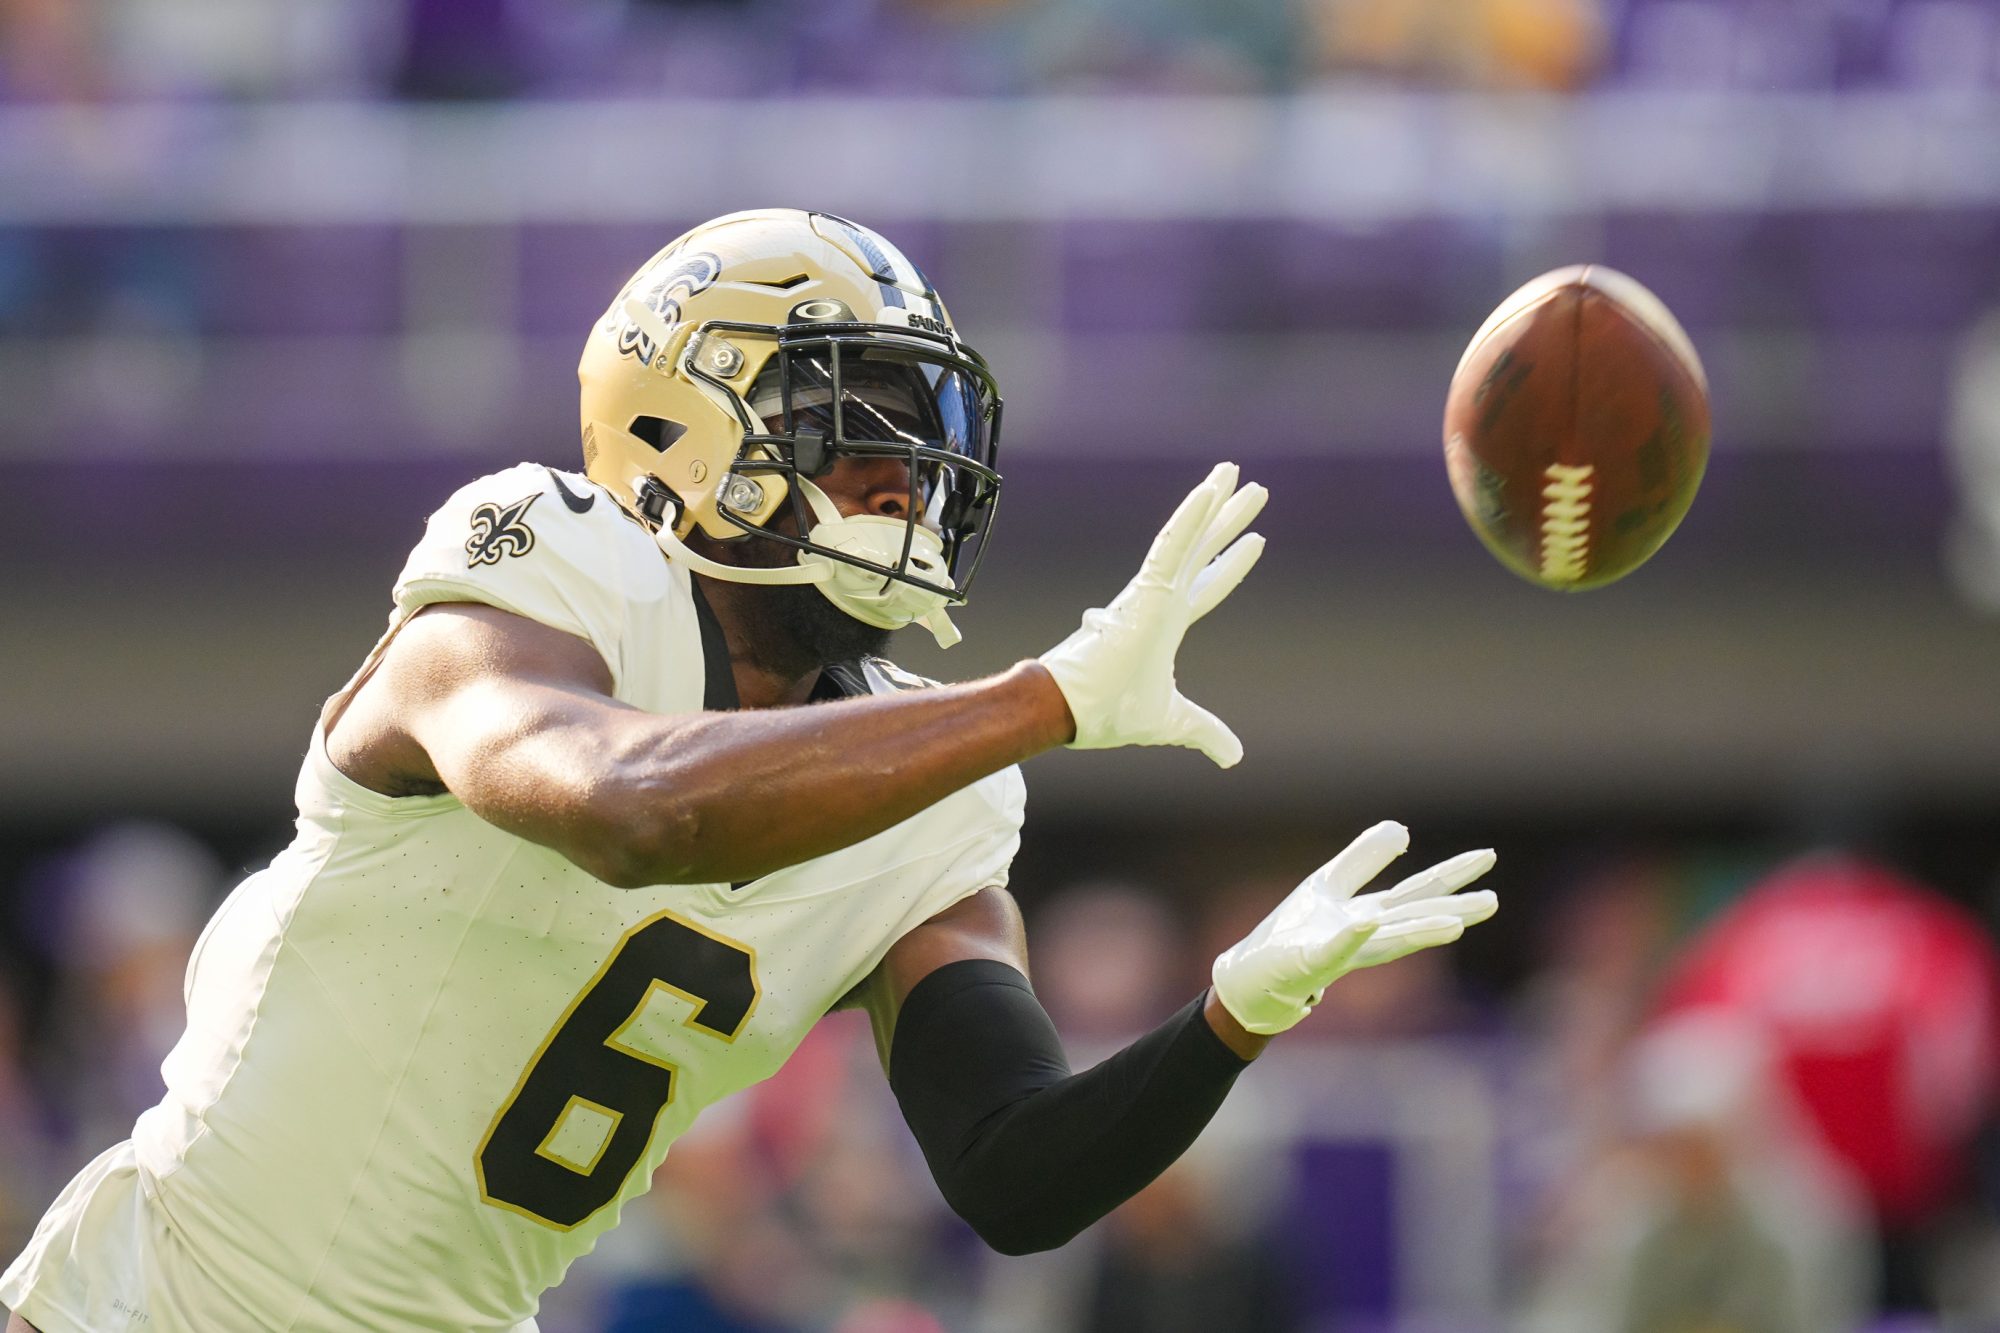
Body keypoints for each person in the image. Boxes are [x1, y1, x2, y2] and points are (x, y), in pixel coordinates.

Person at [0, 208, 1498, 1333]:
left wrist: (1233, 1013)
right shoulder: (547, 561)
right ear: (685, 425)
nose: (904, 482)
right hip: (160, 1303)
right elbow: (631, 806)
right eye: (859, 431)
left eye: (924, 445)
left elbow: (1012, 1171)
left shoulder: (941, 795)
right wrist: (1040, 696)